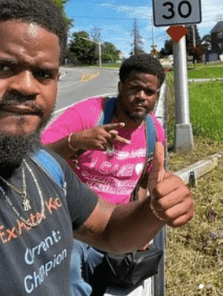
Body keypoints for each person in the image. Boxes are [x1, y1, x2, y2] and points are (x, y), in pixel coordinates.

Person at [0, 0, 194, 295]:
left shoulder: (45, 165)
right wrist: (76, 141)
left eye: (44, 74)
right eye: (2, 67)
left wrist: (154, 210)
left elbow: (109, 230)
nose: (27, 87)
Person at [42, 54, 167, 294]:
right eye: (134, 88)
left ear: (156, 96)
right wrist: (75, 141)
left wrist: (140, 229)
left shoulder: (154, 131)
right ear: (121, 87)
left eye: (149, 92)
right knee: (68, 278)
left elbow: (143, 183)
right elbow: (36, 160)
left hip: (116, 224)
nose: (141, 96)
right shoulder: (88, 115)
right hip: (75, 222)